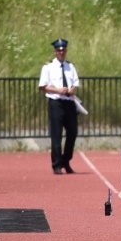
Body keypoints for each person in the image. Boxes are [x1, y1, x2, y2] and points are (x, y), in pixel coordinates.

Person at [38, 38, 80, 174]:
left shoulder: (70, 66)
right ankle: (56, 164)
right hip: (56, 103)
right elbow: (42, 86)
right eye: (58, 50)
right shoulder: (48, 67)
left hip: (69, 102)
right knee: (56, 135)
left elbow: (75, 83)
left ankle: (65, 160)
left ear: (65, 51)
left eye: (63, 50)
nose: (61, 52)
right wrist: (58, 90)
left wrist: (72, 89)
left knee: (72, 132)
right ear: (55, 52)